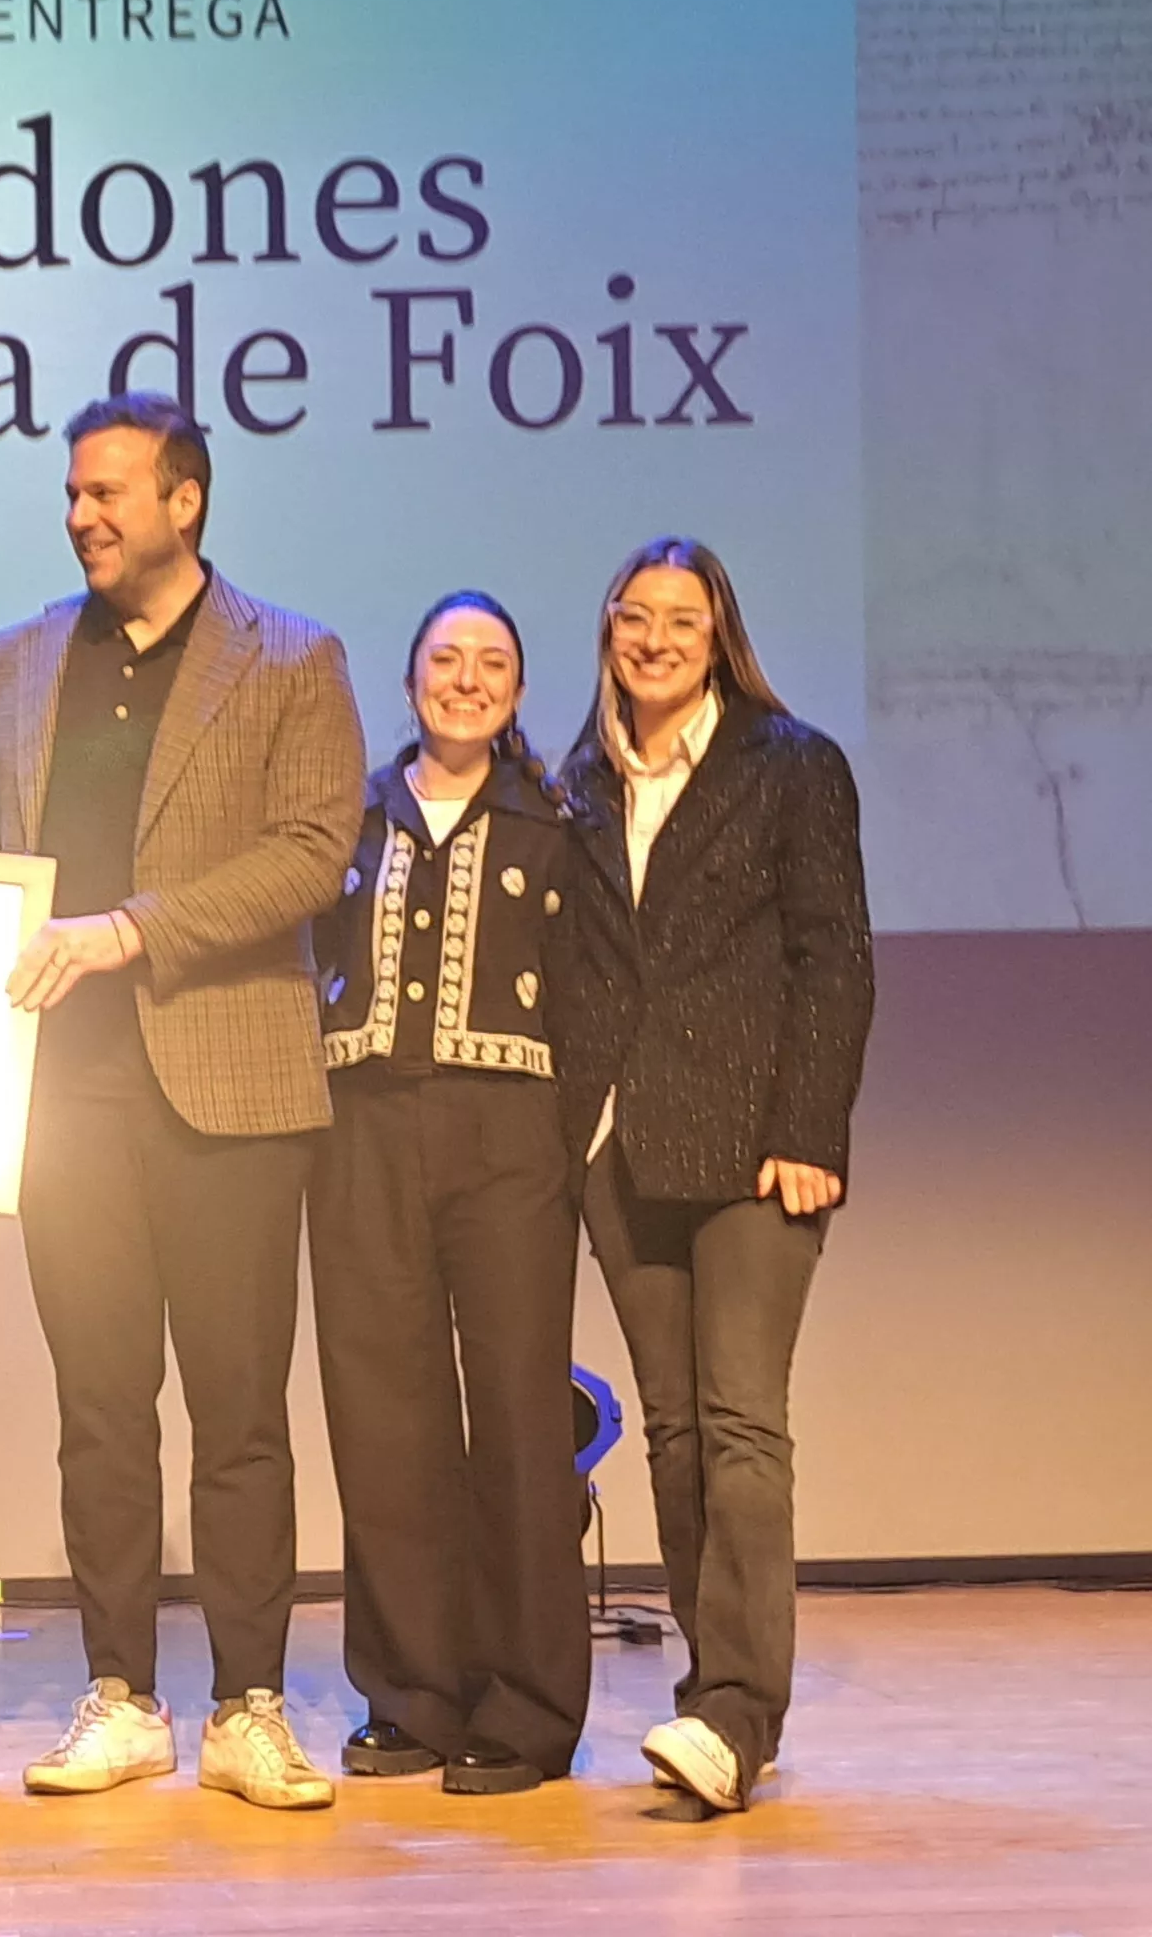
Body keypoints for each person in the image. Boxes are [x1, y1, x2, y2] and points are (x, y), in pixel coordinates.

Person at [0, 391, 363, 1811]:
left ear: (185, 503)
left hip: (227, 1077)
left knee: (235, 1412)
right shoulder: (20, 657)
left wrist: (131, 930)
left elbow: (309, 854)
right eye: (72, 493)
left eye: (107, 493)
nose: (80, 515)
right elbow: (2, 833)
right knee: (97, 1406)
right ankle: (117, 1696)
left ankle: (246, 1704)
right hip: (66, 1090)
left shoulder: (290, 659)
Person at [554, 537, 871, 1820]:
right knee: (672, 1430)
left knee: (740, 1419)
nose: (654, 638)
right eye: (634, 615)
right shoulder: (572, 779)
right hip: (615, 1148)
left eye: (681, 618)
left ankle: (734, 1713)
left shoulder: (788, 766)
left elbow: (833, 957)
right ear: (609, 631)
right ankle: (713, 1691)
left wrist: (809, 1128)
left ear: (718, 632)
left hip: (753, 1147)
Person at [307, 593, 594, 1796]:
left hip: (509, 1140)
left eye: (490, 665)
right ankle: (410, 1693)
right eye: (443, 659)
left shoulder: (556, 824)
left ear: (518, 693)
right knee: (383, 1419)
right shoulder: (349, 815)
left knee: (521, 1424)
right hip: (362, 1127)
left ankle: (525, 1709)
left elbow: (590, 999)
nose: (465, 681)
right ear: (410, 676)